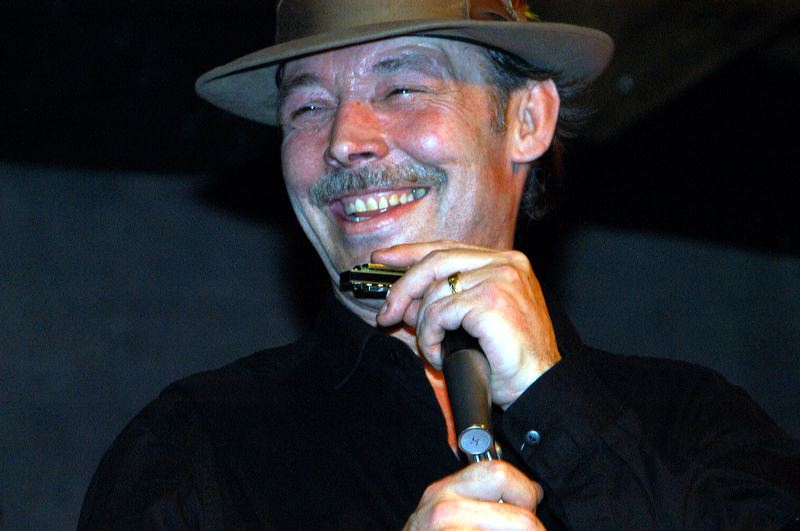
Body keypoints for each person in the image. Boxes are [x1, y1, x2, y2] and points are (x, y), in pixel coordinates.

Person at [79, 0, 800, 528]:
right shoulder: (195, 449)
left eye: (402, 89)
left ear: (527, 120)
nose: (344, 140)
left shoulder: (695, 428)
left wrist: (559, 407)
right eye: (307, 108)